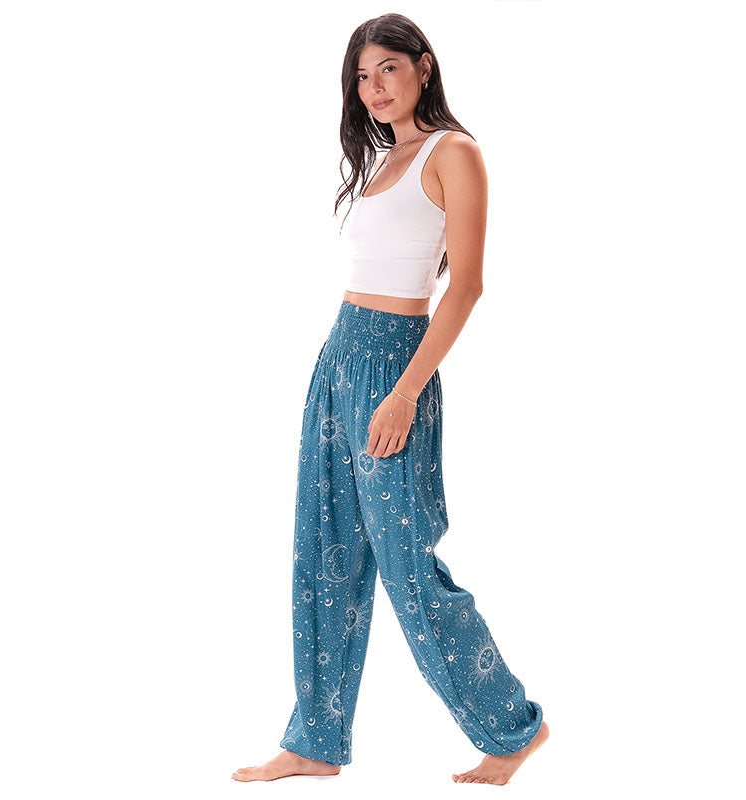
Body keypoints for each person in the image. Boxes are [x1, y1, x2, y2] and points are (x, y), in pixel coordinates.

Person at [232, 13, 549, 786]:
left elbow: (466, 286)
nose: (374, 88)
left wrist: (405, 393)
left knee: (407, 567)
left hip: (395, 368)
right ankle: (315, 739)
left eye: (388, 70)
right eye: (363, 77)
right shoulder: (383, 158)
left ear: (423, 67)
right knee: (325, 551)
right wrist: (345, 371)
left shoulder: (454, 153)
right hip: (338, 355)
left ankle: (513, 725)